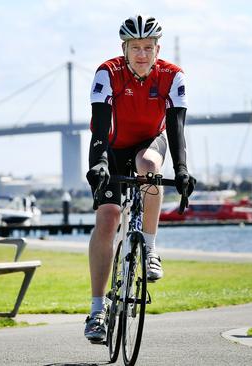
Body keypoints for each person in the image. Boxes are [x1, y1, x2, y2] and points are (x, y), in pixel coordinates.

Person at [84, 14, 196, 343]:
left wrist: (182, 169)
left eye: (148, 47)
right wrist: (101, 163)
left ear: (157, 49)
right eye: (136, 48)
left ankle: (149, 248)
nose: (142, 54)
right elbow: (100, 125)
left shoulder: (172, 76)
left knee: (149, 164)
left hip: (150, 142)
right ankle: (97, 311)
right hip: (111, 148)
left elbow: (176, 129)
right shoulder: (108, 73)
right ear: (125, 48)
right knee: (108, 219)